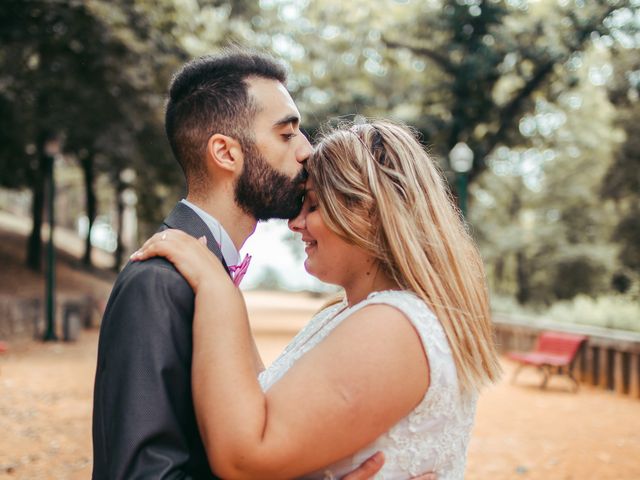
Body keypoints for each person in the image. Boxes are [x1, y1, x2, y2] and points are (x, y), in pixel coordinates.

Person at [132, 119, 503, 478]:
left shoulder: (391, 327)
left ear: (368, 211)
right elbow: (273, 406)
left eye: (312, 205)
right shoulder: (348, 314)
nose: (295, 223)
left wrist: (217, 289)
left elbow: (244, 459)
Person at [91, 50, 396, 480]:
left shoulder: (204, 276)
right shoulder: (158, 283)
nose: (307, 151)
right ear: (225, 153)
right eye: (287, 134)